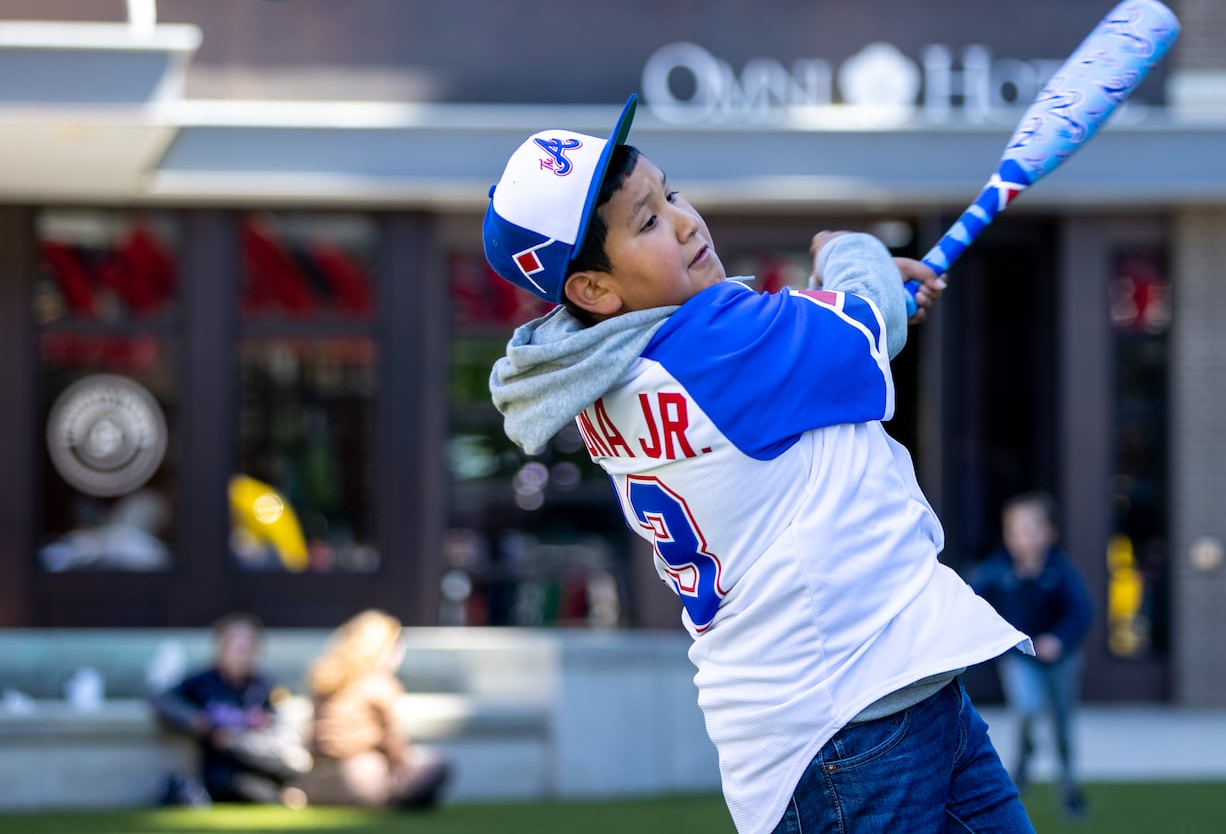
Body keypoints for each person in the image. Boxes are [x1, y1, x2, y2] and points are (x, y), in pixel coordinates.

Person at [485, 94, 1036, 834]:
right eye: (648, 221)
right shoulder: (708, 345)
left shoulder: (608, 365)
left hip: (874, 696)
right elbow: (862, 328)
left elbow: (816, 336)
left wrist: (857, 299)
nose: (684, 221)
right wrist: (850, 248)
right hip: (846, 722)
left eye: (670, 193)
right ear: (590, 290)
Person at [969, 492, 1094, 822]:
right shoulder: (998, 571)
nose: (1023, 537)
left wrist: (1059, 640)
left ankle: (1070, 791)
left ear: (1049, 533)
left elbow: (1081, 611)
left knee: (1062, 728)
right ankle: (1022, 767)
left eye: (1031, 528)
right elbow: (972, 601)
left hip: (1060, 661)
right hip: (1021, 658)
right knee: (1026, 709)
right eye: (1015, 530)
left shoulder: (1060, 570)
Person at [149, 612, 310, 807]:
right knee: (239, 786)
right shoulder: (201, 682)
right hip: (224, 770)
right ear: (221, 647)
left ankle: (290, 792)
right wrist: (194, 719)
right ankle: (284, 796)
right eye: (236, 644)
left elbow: (280, 732)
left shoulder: (265, 686)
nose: (243, 651)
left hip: (261, 760)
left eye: (248, 644)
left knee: (291, 770)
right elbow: (161, 698)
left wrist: (236, 740)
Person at [302, 610, 451, 810]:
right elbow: (394, 743)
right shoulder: (379, 684)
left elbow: (312, 736)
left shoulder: (324, 678)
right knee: (436, 764)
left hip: (320, 782)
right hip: (363, 780)